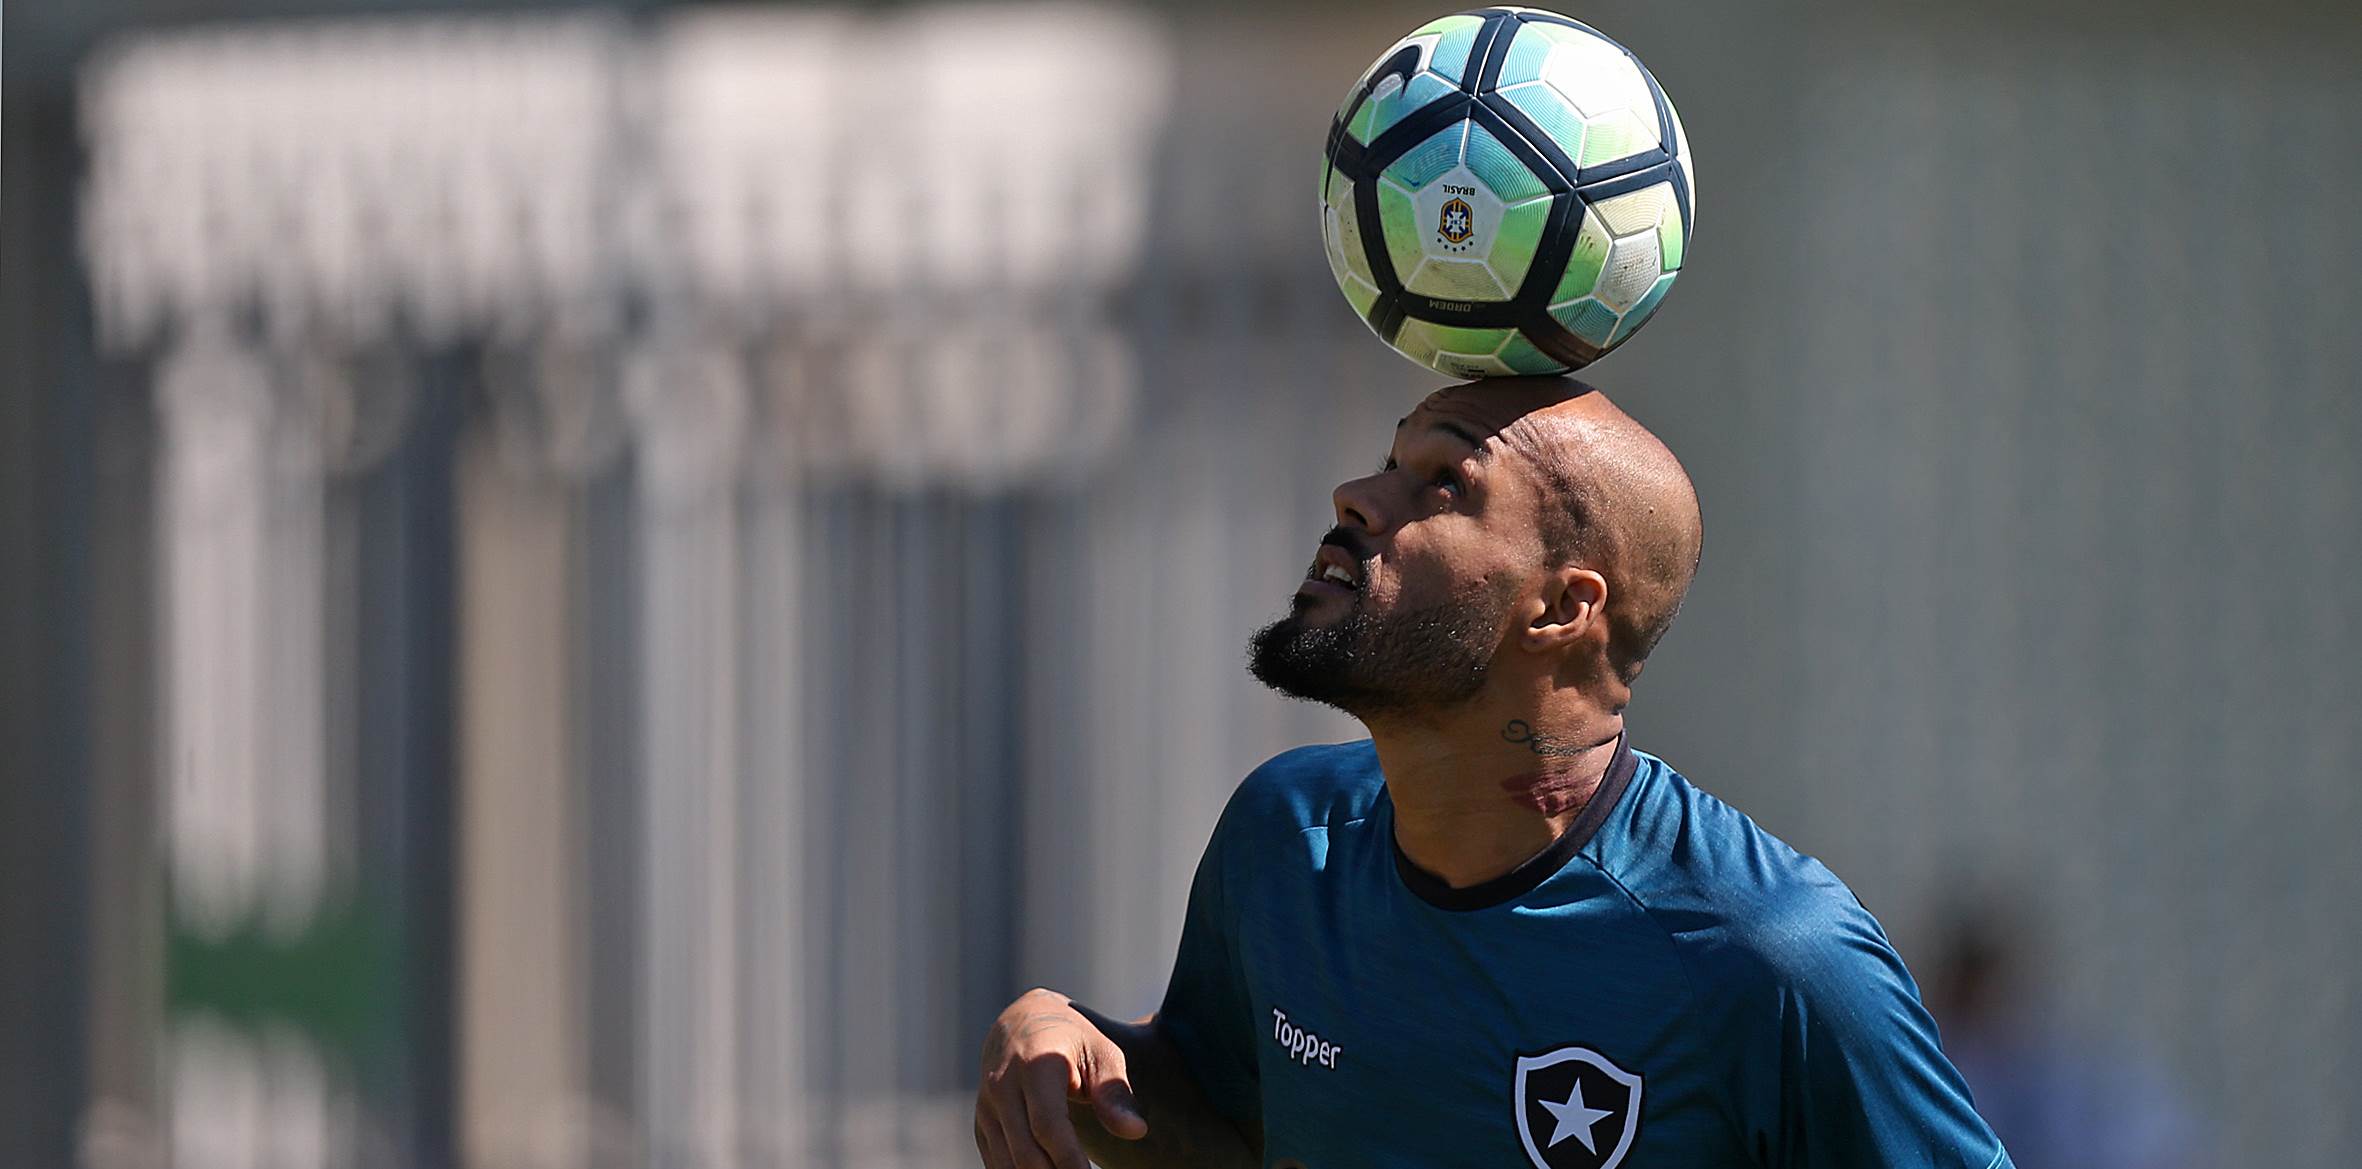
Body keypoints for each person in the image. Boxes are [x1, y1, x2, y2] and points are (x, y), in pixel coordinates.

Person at [974, 378, 2012, 1169]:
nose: (1357, 495)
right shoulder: (1283, 840)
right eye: (1389, 460)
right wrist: (1072, 1057)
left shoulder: (1772, 957)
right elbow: (1228, 1118)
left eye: (1441, 482)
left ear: (1561, 608)